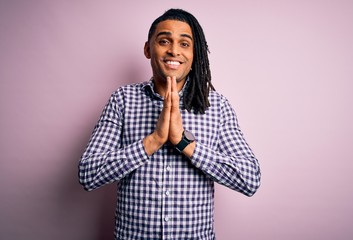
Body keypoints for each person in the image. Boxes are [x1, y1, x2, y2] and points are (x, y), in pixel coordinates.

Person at [79, 8, 261, 240]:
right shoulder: (123, 99)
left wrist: (183, 142)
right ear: (148, 49)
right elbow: (88, 173)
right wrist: (153, 141)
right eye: (164, 41)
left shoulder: (217, 105)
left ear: (195, 54)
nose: (174, 50)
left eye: (184, 44)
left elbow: (249, 179)